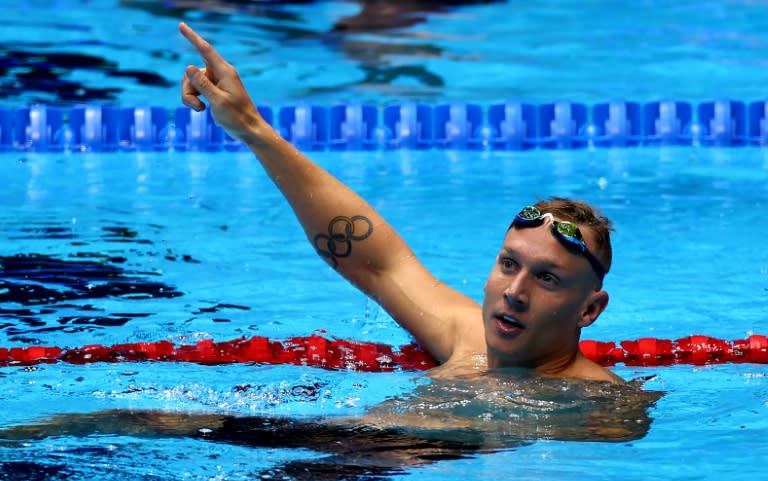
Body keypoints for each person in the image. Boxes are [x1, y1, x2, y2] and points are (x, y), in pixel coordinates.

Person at [177, 22, 620, 384]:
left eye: (546, 278)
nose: (514, 292)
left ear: (589, 309)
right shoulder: (469, 339)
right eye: (509, 264)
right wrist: (252, 128)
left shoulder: (602, 410)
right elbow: (378, 262)